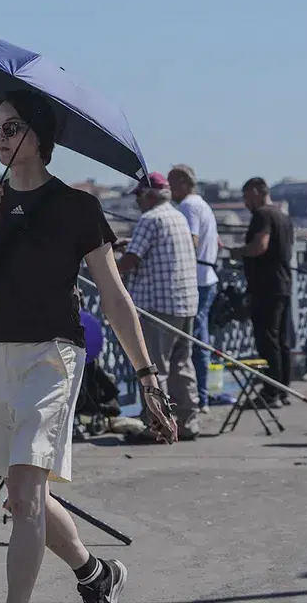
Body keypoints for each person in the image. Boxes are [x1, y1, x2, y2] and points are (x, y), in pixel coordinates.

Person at [0, 89, 176, 603]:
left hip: (53, 356)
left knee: (26, 498)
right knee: (22, 495)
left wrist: (147, 376)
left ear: (40, 133)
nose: (1, 138)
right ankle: (95, 573)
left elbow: (115, 298)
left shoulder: (77, 207)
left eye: (11, 127)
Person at [116, 172, 200, 441]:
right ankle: (187, 423)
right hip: (185, 304)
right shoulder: (177, 216)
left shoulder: (149, 219)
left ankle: (157, 428)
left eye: (139, 197)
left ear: (149, 195)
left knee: (154, 369)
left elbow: (130, 261)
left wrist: (107, 271)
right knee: (182, 367)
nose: (137, 203)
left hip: (157, 306)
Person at [230, 177, 295, 407]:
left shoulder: (262, 215)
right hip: (283, 283)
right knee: (281, 340)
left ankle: (270, 392)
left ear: (257, 192)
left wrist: (239, 252)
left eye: (246, 197)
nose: (245, 202)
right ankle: (284, 389)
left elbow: (260, 246)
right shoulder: (283, 216)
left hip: (266, 286)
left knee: (267, 340)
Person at [168, 164, 220, 411]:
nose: (168, 189)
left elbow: (190, 241)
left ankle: (197, 398)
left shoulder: (188, 206)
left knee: (192, 341)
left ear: (183, 183)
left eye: (171, 183)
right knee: (200, 339)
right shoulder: (202, 204)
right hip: (207, 278)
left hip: (196, 282)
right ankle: (202, 396)